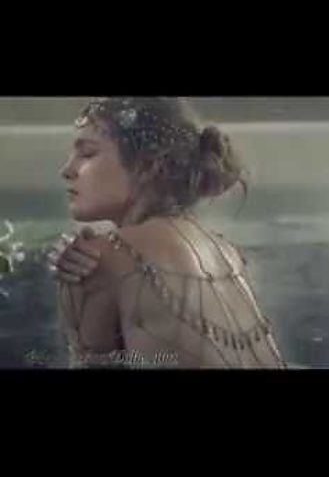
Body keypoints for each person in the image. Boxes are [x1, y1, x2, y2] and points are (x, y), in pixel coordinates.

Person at [47, 97, 286, 369]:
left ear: (149, 166)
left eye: (88, 153)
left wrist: (72, 292)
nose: (66, 171)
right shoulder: (226, 253)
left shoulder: (93, 259)